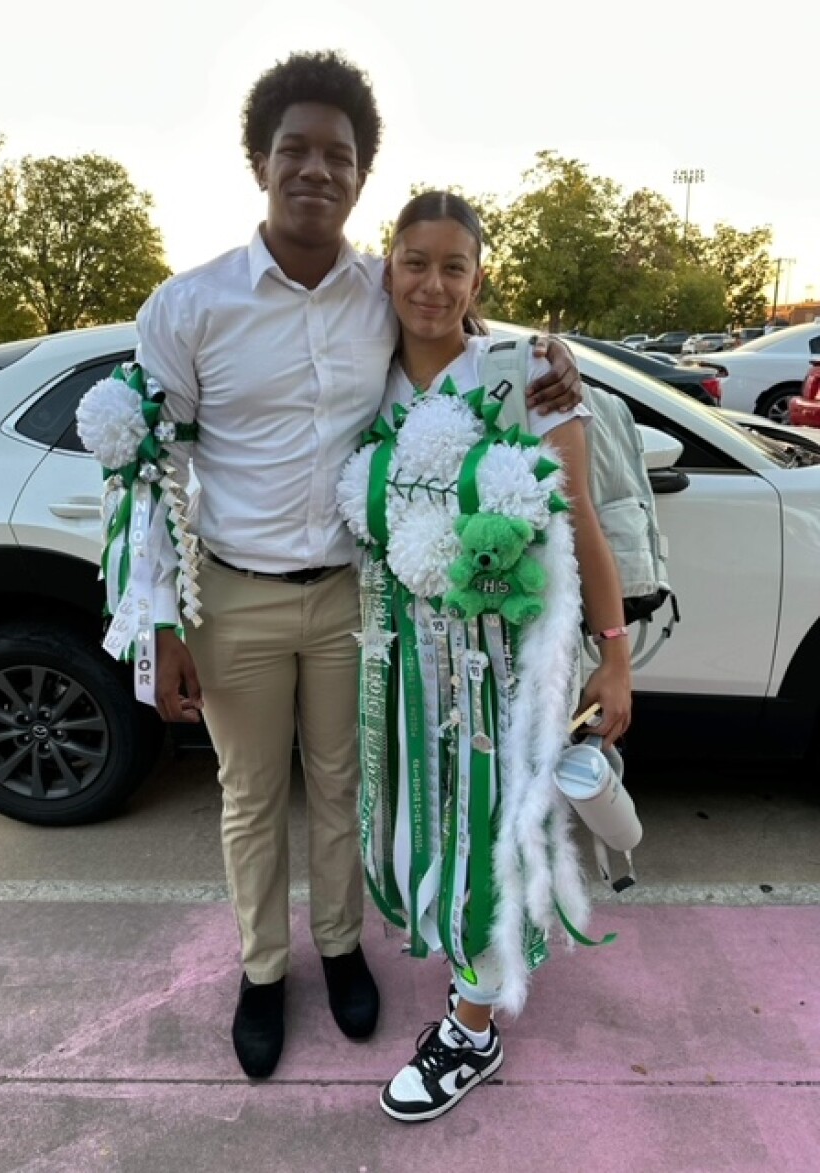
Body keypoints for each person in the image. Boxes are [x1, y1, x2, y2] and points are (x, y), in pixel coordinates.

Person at [131, 52, 583, 1081]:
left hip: (351, 597)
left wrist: (551, 355)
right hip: (233, 596)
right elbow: (151, 468)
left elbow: (454, 332)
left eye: (338, 155)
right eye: (294, 148)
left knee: (344, 786)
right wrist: (158, 622)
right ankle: (260, 970)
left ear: (358, 176)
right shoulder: (190, 306)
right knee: (250, 797)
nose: (315, 169)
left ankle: (339, 951)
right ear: (259, 159)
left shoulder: (373, 296)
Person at [337, 190, 631, 1121]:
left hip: (498, 670)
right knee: (424, 828)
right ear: (386, 266)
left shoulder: (524, 376)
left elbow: (580, 521)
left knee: (489, 834)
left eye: (452, 265)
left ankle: (473, 1027)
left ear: (478, 278)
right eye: (413, 261)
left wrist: (614, 653)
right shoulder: (365, 380)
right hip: (397, 663)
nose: (431, 283)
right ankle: (465, 979)